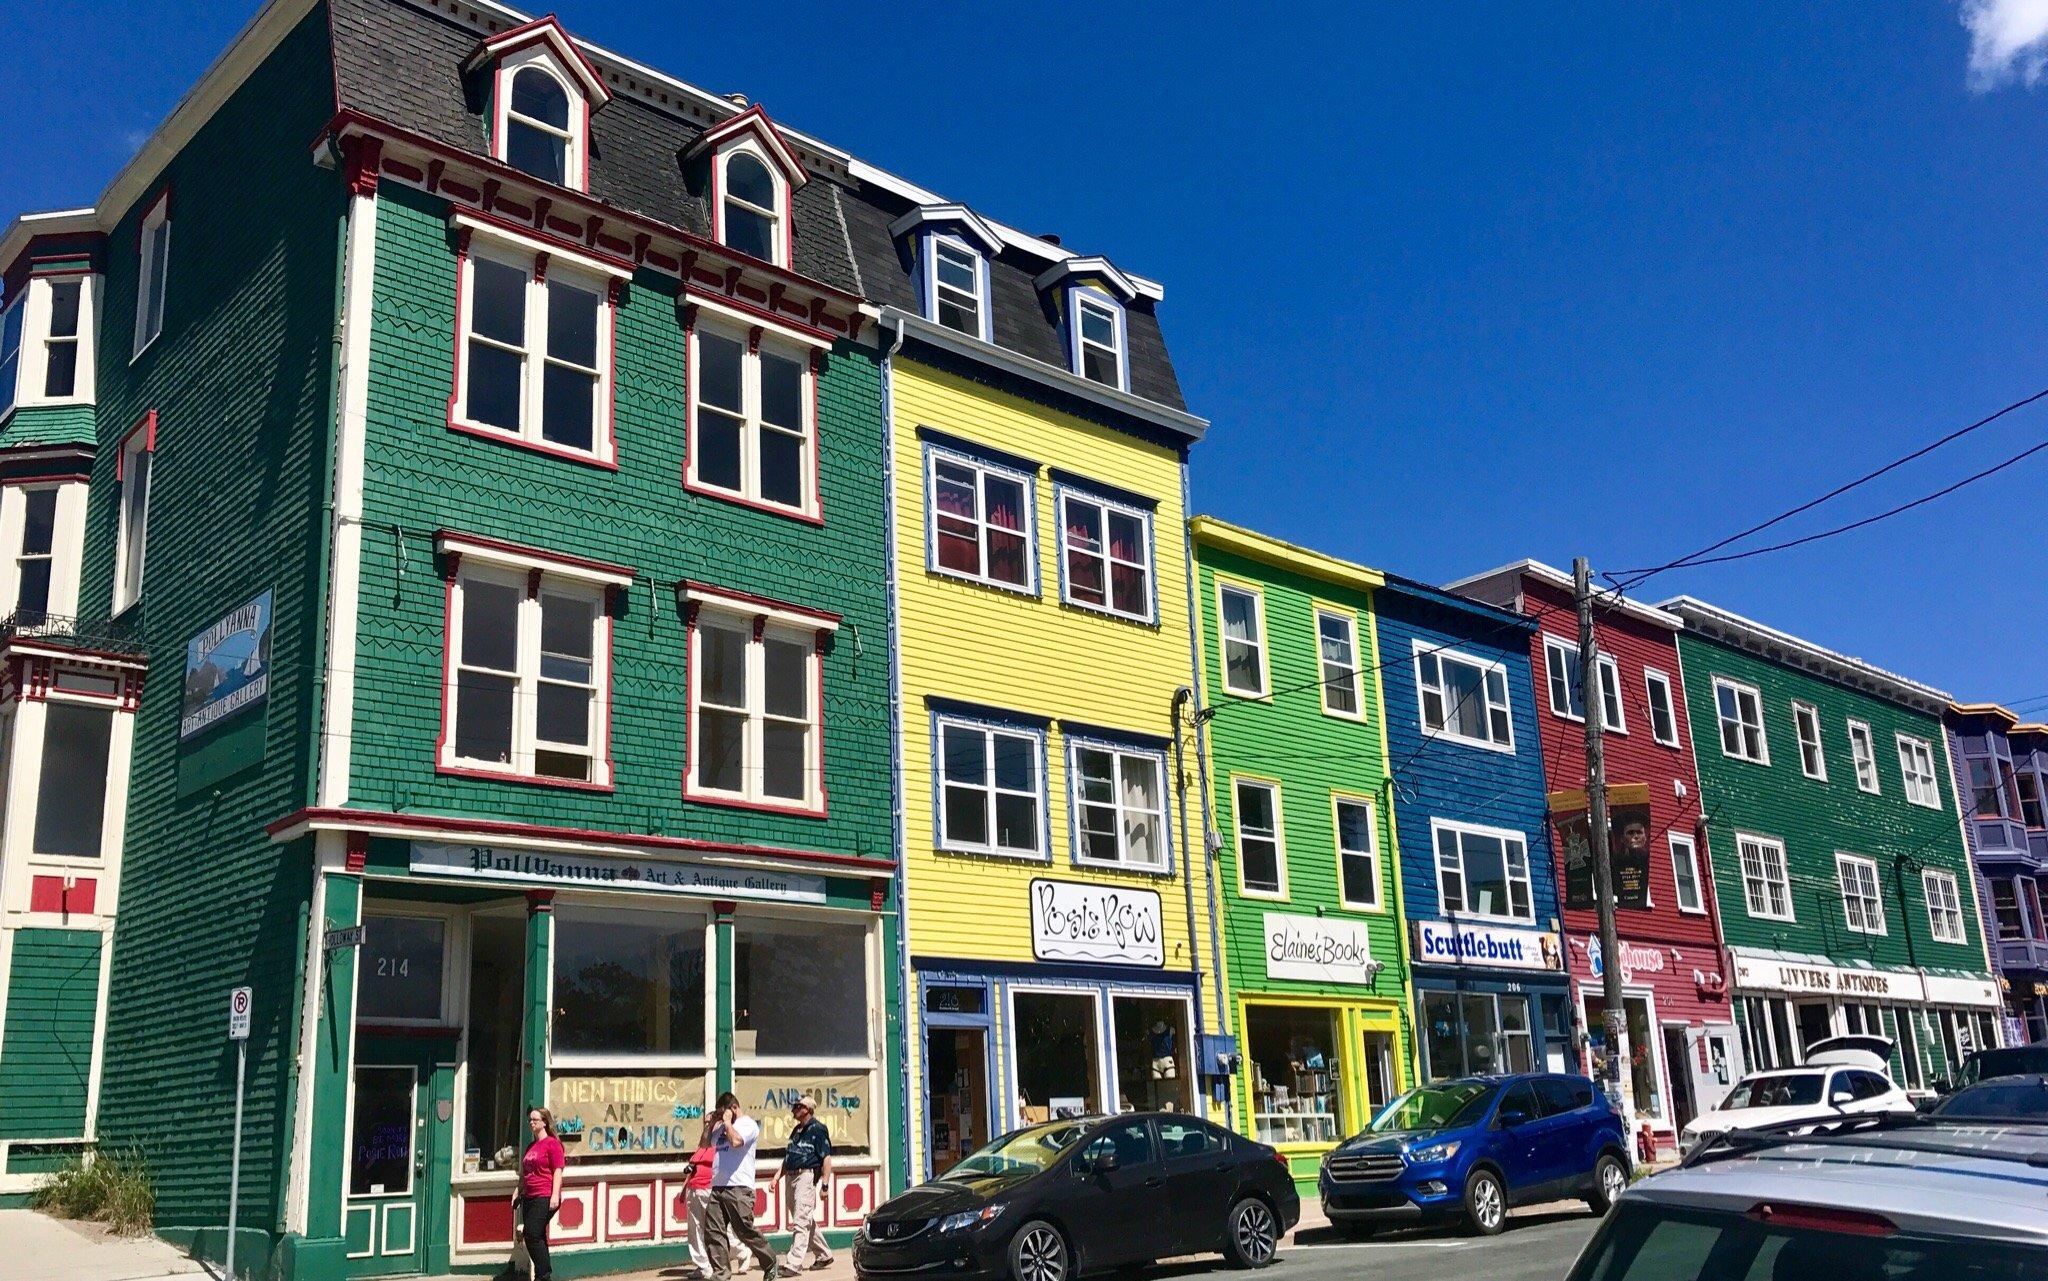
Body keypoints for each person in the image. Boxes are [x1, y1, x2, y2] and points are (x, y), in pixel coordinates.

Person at [706, 1092, 778, 1281]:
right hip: (718, 1186)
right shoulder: (721, 1128)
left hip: (739, 1187)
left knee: (744, 1230)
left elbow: (737, 1142)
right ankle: (721, 1275)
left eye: (723, 1113)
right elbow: (704, 1143)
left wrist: (728, 1124)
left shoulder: (748, 1125)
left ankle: (770, 1261)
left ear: (734, 1109)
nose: (721, 1117)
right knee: (713, 1232)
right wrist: (710, 1124)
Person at [780, 1096, 834, 1272]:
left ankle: (794, 1263)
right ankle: (824, 1254)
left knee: (801, 1220)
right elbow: (788, 1156)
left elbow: (826, 1158)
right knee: (804, 1218)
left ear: (807, 1110)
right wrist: (776, 1177)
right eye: (794, 1106)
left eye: (798, 1106)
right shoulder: (796, 1130)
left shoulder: (818, 1129)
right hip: (791, 1176)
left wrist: (825, 1185)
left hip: (806, 1176)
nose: (794, 1109)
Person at [515, 1108, 566, 1281]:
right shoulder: (531, 1146)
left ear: (544, 1122)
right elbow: (525, 1173)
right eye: (530, 1120)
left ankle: (544, 1275)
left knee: (531, 1234)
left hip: (544, 1195)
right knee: (538, 1236)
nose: (531, 1123)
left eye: (535, 1120)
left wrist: (555, 1195)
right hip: (529, 1196)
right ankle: (543, 1275)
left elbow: (558, 1171)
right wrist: (517, 1191)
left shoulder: (552, 1144)